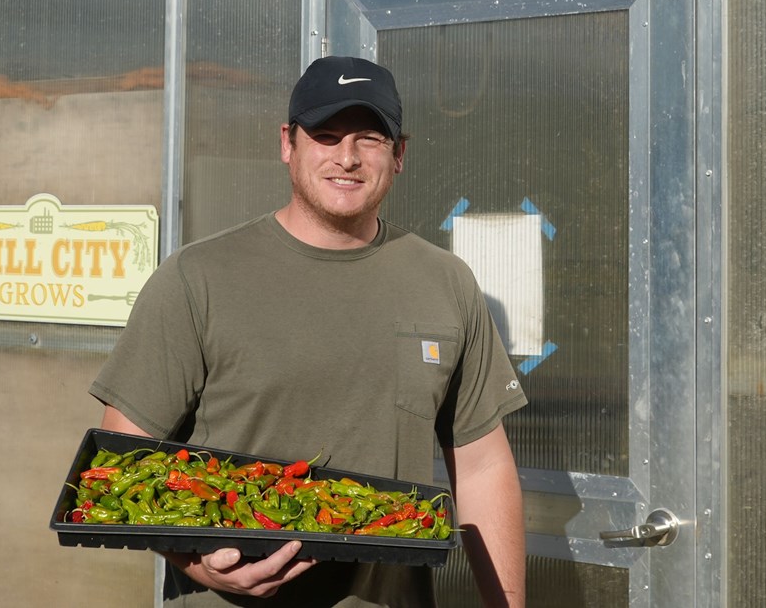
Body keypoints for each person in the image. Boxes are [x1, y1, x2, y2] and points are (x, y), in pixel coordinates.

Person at [90, 55, 528, 607]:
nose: (347, 157)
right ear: (287, 144)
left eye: (369, 138)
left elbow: (484, 467)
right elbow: (122, 463)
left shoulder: (445, 283)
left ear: (399, 155)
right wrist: (200, 568)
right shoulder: (198, 279)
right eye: (325, 135)